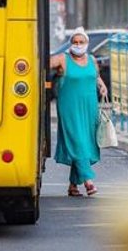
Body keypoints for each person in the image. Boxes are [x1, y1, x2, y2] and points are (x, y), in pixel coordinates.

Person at [49, 28, 107, 197]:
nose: (78, 45)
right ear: (70, 44)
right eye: (75, 42)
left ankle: (73, 186)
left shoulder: (92, 60)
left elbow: (95, 76)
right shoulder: (62, 59)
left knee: (86, 141)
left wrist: (101, 85)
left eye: (81, 42)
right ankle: (88, 181)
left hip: (89, 107)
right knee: (77, 141)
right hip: (69, 107)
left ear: (87, 44)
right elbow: (42, 64)